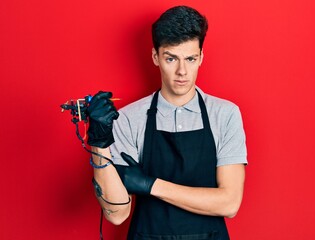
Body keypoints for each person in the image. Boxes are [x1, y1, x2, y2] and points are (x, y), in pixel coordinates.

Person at [87, 5, 247, 239]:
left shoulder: (225, 115)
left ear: (201, 57)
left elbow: (229, 203)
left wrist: (151, 185)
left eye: (190, 59)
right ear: (155, 56)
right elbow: (117, 214)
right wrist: (98, 144)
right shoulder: (130, 118)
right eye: (171, 58)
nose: (182, 71)